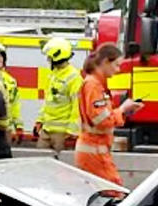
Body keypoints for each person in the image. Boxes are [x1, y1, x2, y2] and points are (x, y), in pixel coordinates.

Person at [75, 43, 141, 185]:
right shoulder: (93, 85)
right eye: (116, 65)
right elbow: (102, 120)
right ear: (105, 62)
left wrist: (123, 111)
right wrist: (122, 109)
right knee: (113, 192)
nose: (118, 70)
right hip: (95, 152)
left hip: (96, 151)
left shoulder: (95, 84)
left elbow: (102, 116)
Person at [34, 37, 82, 156]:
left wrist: (73, 130)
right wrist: (40, 121)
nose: (48, 59)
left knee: (60, 169)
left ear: (57, 56)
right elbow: (48, 102)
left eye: (49, 57)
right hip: (47, 130)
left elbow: (77, 106)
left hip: (62, 133)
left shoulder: (74, 77)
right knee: (39, 161)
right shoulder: (54, 75)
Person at [0, 46, 24, 144]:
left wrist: (19, 126)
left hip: (6, 128)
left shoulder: (10, 81)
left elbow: (15, 105)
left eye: (0, 56)